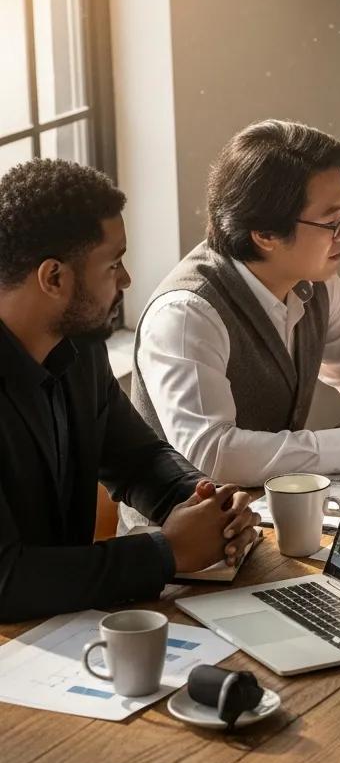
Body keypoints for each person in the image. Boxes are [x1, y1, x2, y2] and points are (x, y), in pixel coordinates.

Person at [124, 121, 340, 524]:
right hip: (182, 543)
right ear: (265, 234)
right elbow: (210, 453)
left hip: (264, 514)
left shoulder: (313, 280)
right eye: (330, 222)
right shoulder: (187, 315)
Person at [0, 159, 258, 622]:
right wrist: (167, 552)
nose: (126, 280)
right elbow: (7, 580)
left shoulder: (79, 346)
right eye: (114, 263)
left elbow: (136, 459)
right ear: (53, 277)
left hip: (64, 624)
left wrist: (207, 503)